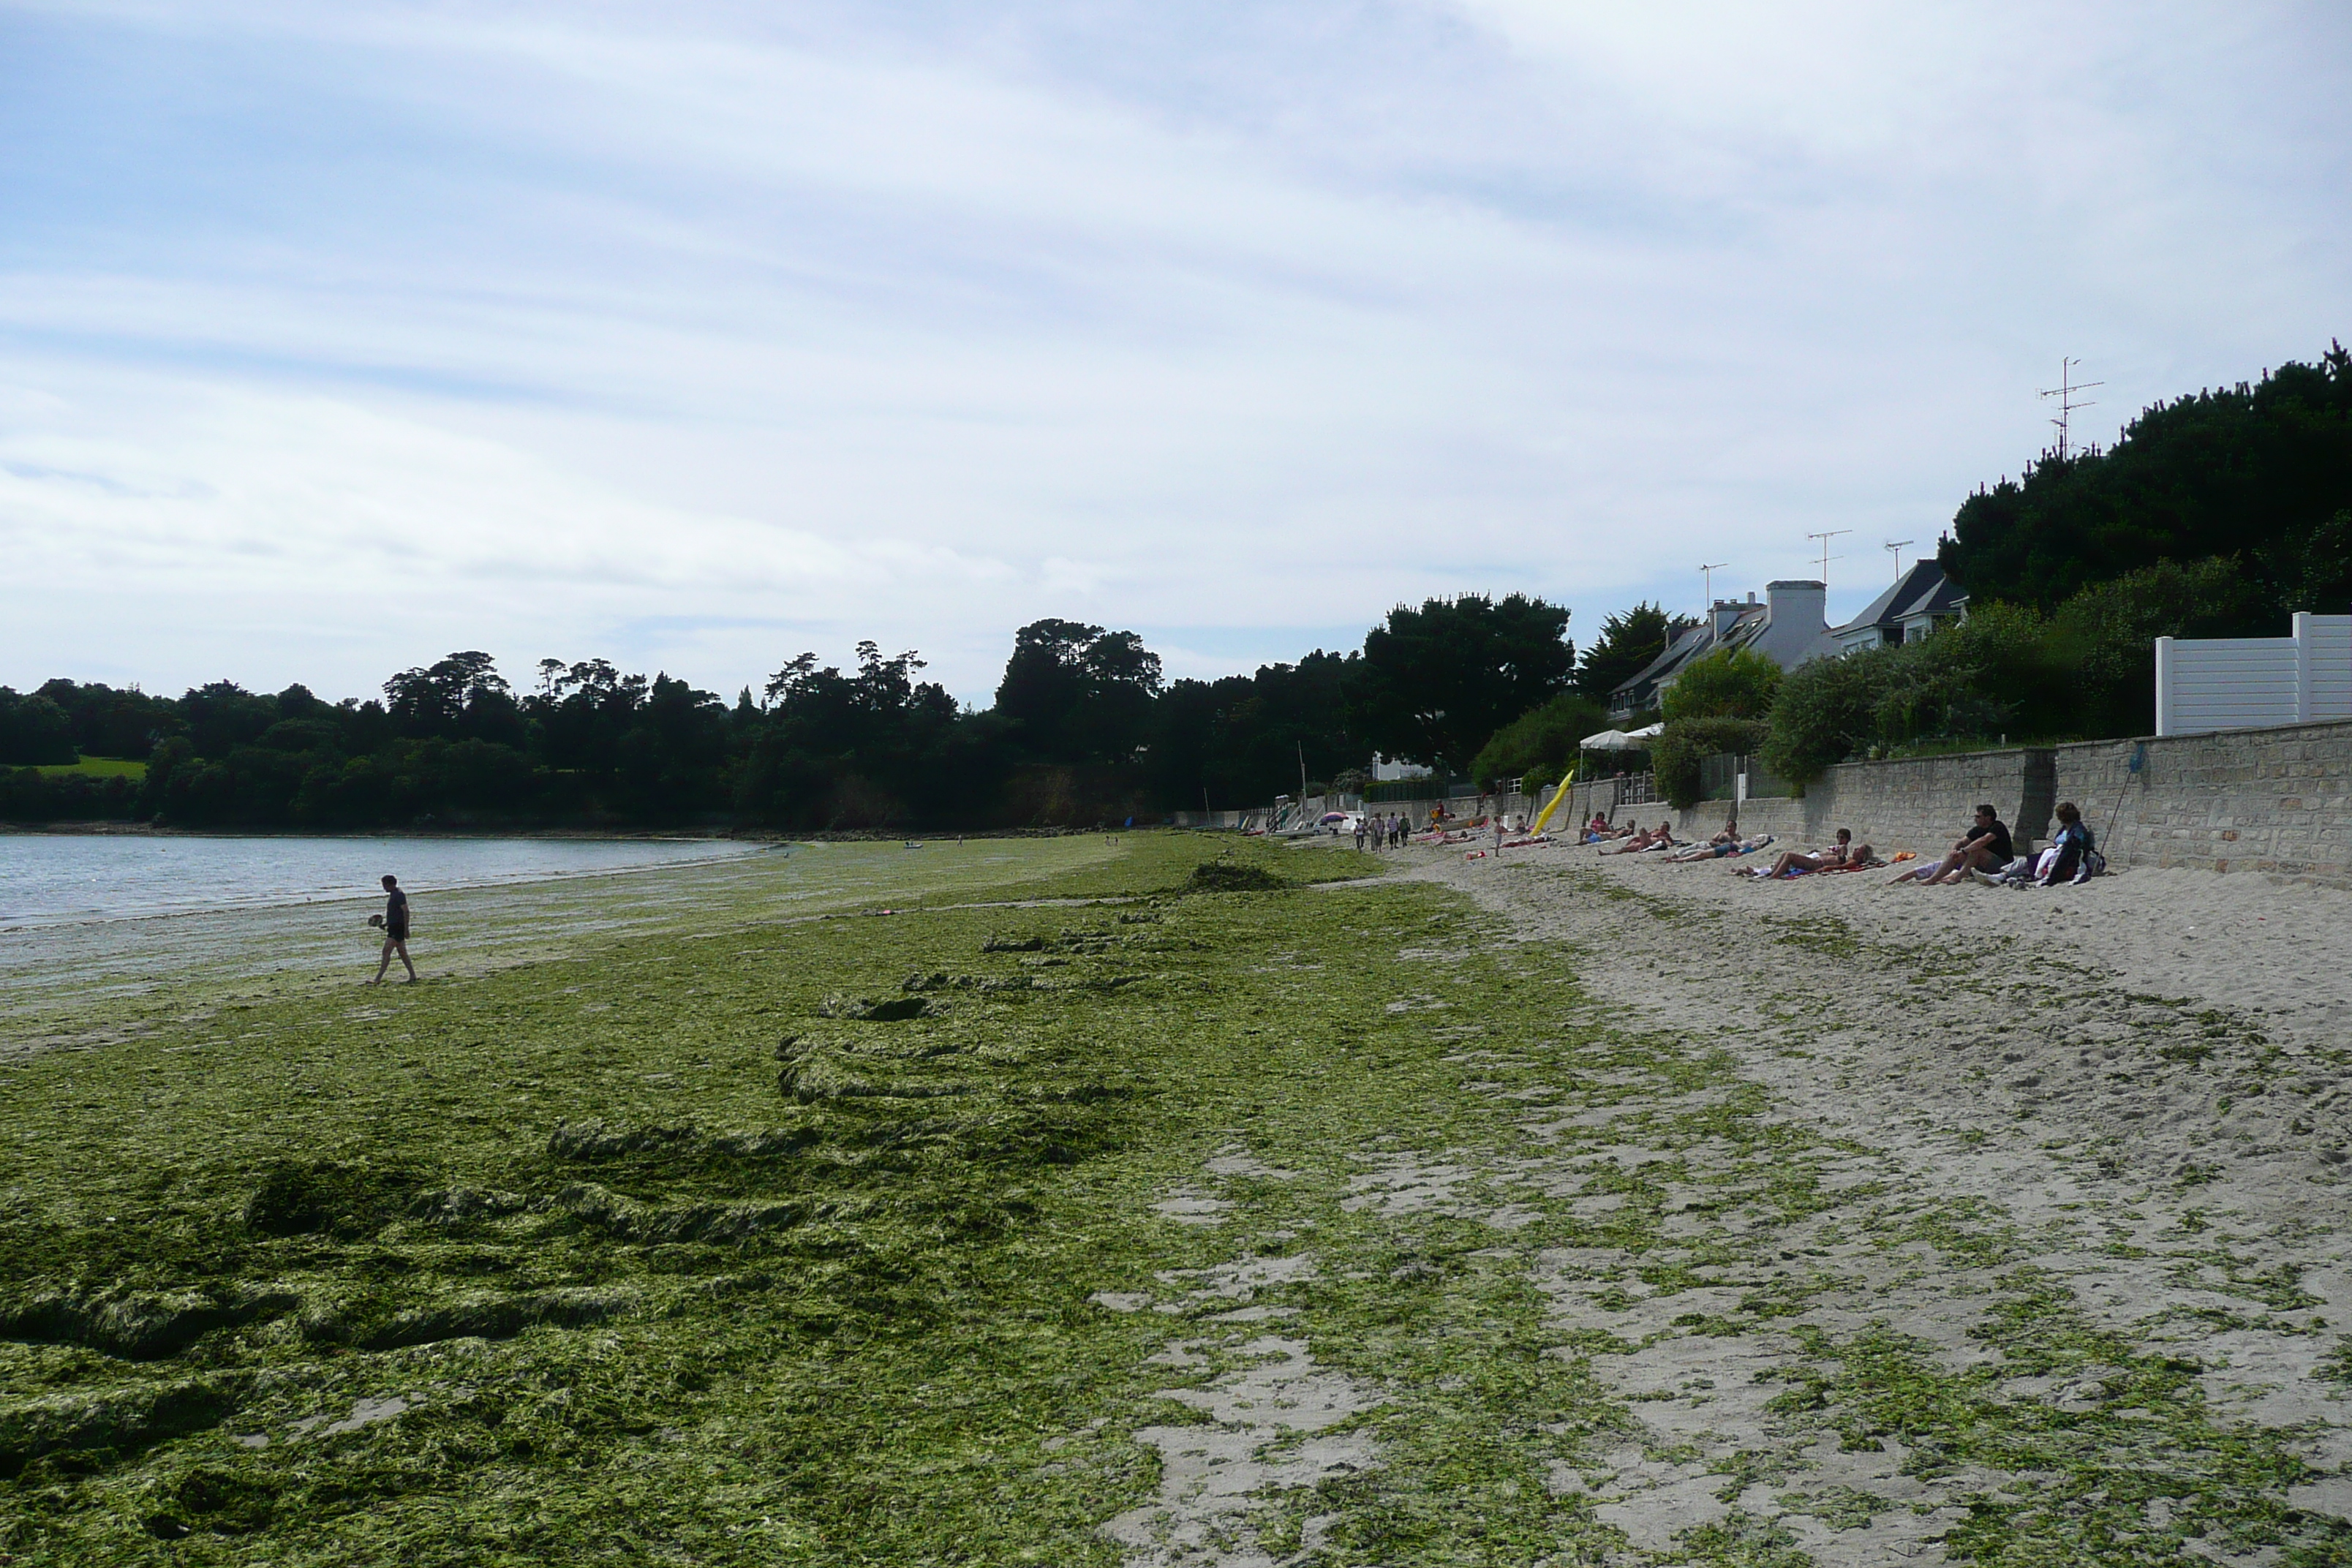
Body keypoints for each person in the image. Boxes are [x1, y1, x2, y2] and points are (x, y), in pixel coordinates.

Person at [1890, 804, 2013, 885]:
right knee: (1956, 855)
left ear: (1988, 818)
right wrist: (1955, 850)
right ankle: (1932, 880)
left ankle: (1956, 878)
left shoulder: (1997, 826)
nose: (1975, 819)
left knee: (1976, 851)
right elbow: (1961, 842)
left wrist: (1964, 851)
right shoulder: (1977, 830)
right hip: (1983, 864)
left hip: (2002, 865)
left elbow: (1983, 841)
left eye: (1978, 816)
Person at [369, 873, 417, 984]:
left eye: (384, 885)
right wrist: (385, 924)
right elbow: (395, 914)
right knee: (402, 953)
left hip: (398, 928)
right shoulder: (394, 894)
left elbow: (406, 911)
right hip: (394, 927)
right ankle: (413, 975)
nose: (383, 887)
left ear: (390, 884)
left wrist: (406, 929)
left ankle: (377, 979)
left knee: (386, 951)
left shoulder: (399, 895)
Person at [1760, 829, 1853, 878]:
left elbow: (1841, 859)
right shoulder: (1835, 847)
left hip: (1817, 863)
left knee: (1789, 855)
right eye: (1838, 837)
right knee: (1785, 854)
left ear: (1848, 839)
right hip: (1814, 859)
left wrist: (1836, 854)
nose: (1839, 840)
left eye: (1842, 837)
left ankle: (1774, 876)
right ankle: (1772, 873)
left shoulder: (1843, 847)